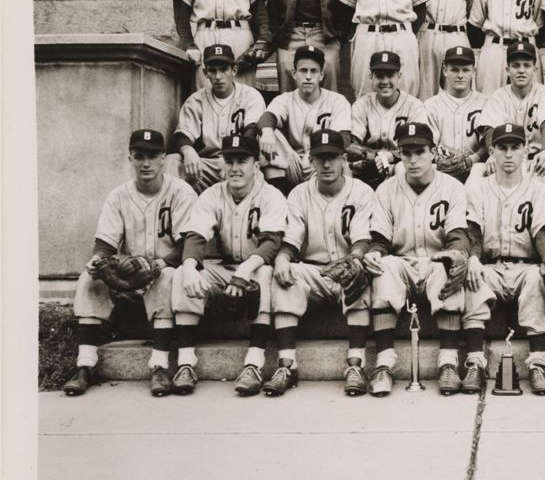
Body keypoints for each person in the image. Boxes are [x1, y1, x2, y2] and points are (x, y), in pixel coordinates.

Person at [63, 130, 197, 397]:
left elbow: (189, 242)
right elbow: (105, 243)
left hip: (165, 267)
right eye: (139, 157)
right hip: (130, 271)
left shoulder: (181, 191)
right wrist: (97, 261)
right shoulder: (118, 195)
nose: (145, 163)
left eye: (151, 156)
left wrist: (161, 263)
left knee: (166, 276)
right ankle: (85, 364)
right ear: (130, 159)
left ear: (163, 159)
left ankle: (159, 365)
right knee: (89, 279)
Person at [362, 123, 474, 396]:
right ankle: (385, 364)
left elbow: (458, 235)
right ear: (399, 154)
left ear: (433, 152)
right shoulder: (386, 190)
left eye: (420, 152)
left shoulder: (452, 187)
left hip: (435, 262)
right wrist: (374, 252)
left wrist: (458, 254)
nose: (413, 160)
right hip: (401, 263)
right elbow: (380, 239)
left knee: (450, 263)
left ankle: (448, 362)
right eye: (406, 152)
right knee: (383, 265)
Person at [171, 135, 287, 396]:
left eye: (242, 161)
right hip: (223, 268)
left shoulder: (271, 195)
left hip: (254, 266)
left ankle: (254, 363)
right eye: (229, 160)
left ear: (256, 165)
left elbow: (271, 243)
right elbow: (196, 236)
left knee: (266, 272)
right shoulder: (212, 194)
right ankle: (186, 362)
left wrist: (245, 271)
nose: (235, 168)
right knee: (182, 273)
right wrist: (190, 266)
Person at [268, 130, 375, 396]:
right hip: (314, 271)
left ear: (344, 160)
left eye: (333, 157)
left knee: (360, 274)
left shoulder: (361, 191)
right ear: (311, 161)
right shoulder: (298, 194)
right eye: (320, 158)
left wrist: (356, 260)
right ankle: (287, 364)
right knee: (287, 272)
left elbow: (362, 239)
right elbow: (291, 240)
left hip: (347, 266)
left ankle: (356, 364)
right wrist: (281, 258)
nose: (326, 164)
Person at [462, 123, 545, 394]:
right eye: (502, 148)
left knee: (537, 277)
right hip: (490, 266)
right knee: (472, 276)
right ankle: (474, 362)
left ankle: (537, 364)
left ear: (525, 153)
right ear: (492, 152)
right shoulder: (479, 189)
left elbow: (544, 232)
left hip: (524, 266)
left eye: (514, 147)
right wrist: (472, 258)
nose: (508, 154)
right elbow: (473, 232)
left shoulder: (538, 189)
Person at [164, 44, 267, 192]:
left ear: (234, 70)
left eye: (224, 69)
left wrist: (232, 162)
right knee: (172, 162)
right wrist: (188, 151)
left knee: (255, 174)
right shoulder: (195, 100)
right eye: (213, 70)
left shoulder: (251, 96)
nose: (218, 77)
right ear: (205, 72)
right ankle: (180, 212)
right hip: (206, 166)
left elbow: (251, 134)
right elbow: (182, 135)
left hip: (239, 160)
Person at [257, 45, 353, 194]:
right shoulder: (285, 99)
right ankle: (280, 202)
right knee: (268, 134)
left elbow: (343, 139)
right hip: (293, 163)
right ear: (294, 73)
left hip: (322, 161)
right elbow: (267, 118)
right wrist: (267, 132)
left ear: (321, 75)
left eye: (313, 71)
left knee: (342, 163)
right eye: (303, 70)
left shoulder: (337, 101)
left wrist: (316, 156)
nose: (308, 76)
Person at [473, 41, 545, 187]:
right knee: (477, 173)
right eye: (516, 66)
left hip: (536, 162)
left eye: (527, 65)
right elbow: (490, 129)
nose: (521, 70)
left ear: (535, 68)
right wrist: (493, 153)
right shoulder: (497, 96)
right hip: (504, 161)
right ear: (507, 70)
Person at [347, 50, 429, 189]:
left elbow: (418, 145)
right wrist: (376, 156)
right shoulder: (362, 105)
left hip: (402, 163)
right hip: (369, 163)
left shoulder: (414, 105)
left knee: (402, 169)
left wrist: (389, 157)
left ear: (399, 76)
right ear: (370, 77)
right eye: (379, 76)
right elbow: (352, 144)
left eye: (390, 75)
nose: (385, 81)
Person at [423, 45, 489, 183]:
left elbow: (489, 143)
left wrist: (471, 160)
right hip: (441, 168)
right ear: (445, 70)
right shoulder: (430, 105)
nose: (460, 75)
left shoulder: (486, 103)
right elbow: (427, 144)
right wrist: (440, 159)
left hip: (475, 167)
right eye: (454, 70)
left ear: (473, 72)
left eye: (465, 70)